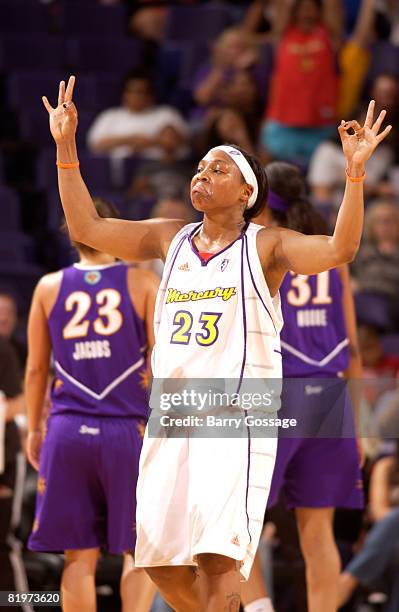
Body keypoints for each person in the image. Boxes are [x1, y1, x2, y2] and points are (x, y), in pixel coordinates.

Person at [42, 74, 390, 611]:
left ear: (247, 192)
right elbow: (87, 226)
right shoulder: (169, 236)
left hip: (234, 411)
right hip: (172, 411)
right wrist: (66, 148)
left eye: (219, 168)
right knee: (157, 560)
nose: (203, 174)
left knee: (217, 560)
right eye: (201, 167)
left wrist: (355, 174)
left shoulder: (268, 245)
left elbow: (341, 249)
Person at [25, 198, 159, 612]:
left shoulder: (48, 286)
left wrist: (34, 428)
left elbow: (35, 370)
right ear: (112, 230)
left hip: (67, 432)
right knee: (138, 553)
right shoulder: (142, 283)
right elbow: (163, 364)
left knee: (77, 558)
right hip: (129, 432)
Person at [241, 161, 364, 612]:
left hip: (280, 395)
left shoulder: (263, 251)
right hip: (331, 398)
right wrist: (361, 426)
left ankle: (259, 608)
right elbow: (352, 348)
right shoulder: (330, 255)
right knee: (319, 533)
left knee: (241, 524)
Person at [261, 0, 343, 166]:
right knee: (267, 172)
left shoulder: (329, 37)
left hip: (319, 123)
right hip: (282, 121)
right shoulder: (282, 36)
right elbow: (283, 7)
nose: (307, 13)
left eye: (311, 9)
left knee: (317, 176)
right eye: (303, 9)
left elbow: (332, 6)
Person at [87, 69, 189, 161]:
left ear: (150, 94)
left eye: (141, 92)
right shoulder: (109, 116)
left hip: (158, 171)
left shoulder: (167, 114)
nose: (137, 96)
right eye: (132, 92)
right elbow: (95, 145)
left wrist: (148, 143)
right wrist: (130, 140)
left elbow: (178, 143)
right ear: (124, 94)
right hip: (118, 173)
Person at [0, 338, 28, 611]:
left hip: (4, 461)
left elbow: (20, 402)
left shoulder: (2, 348)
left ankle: (18, 606)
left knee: (3, 543)